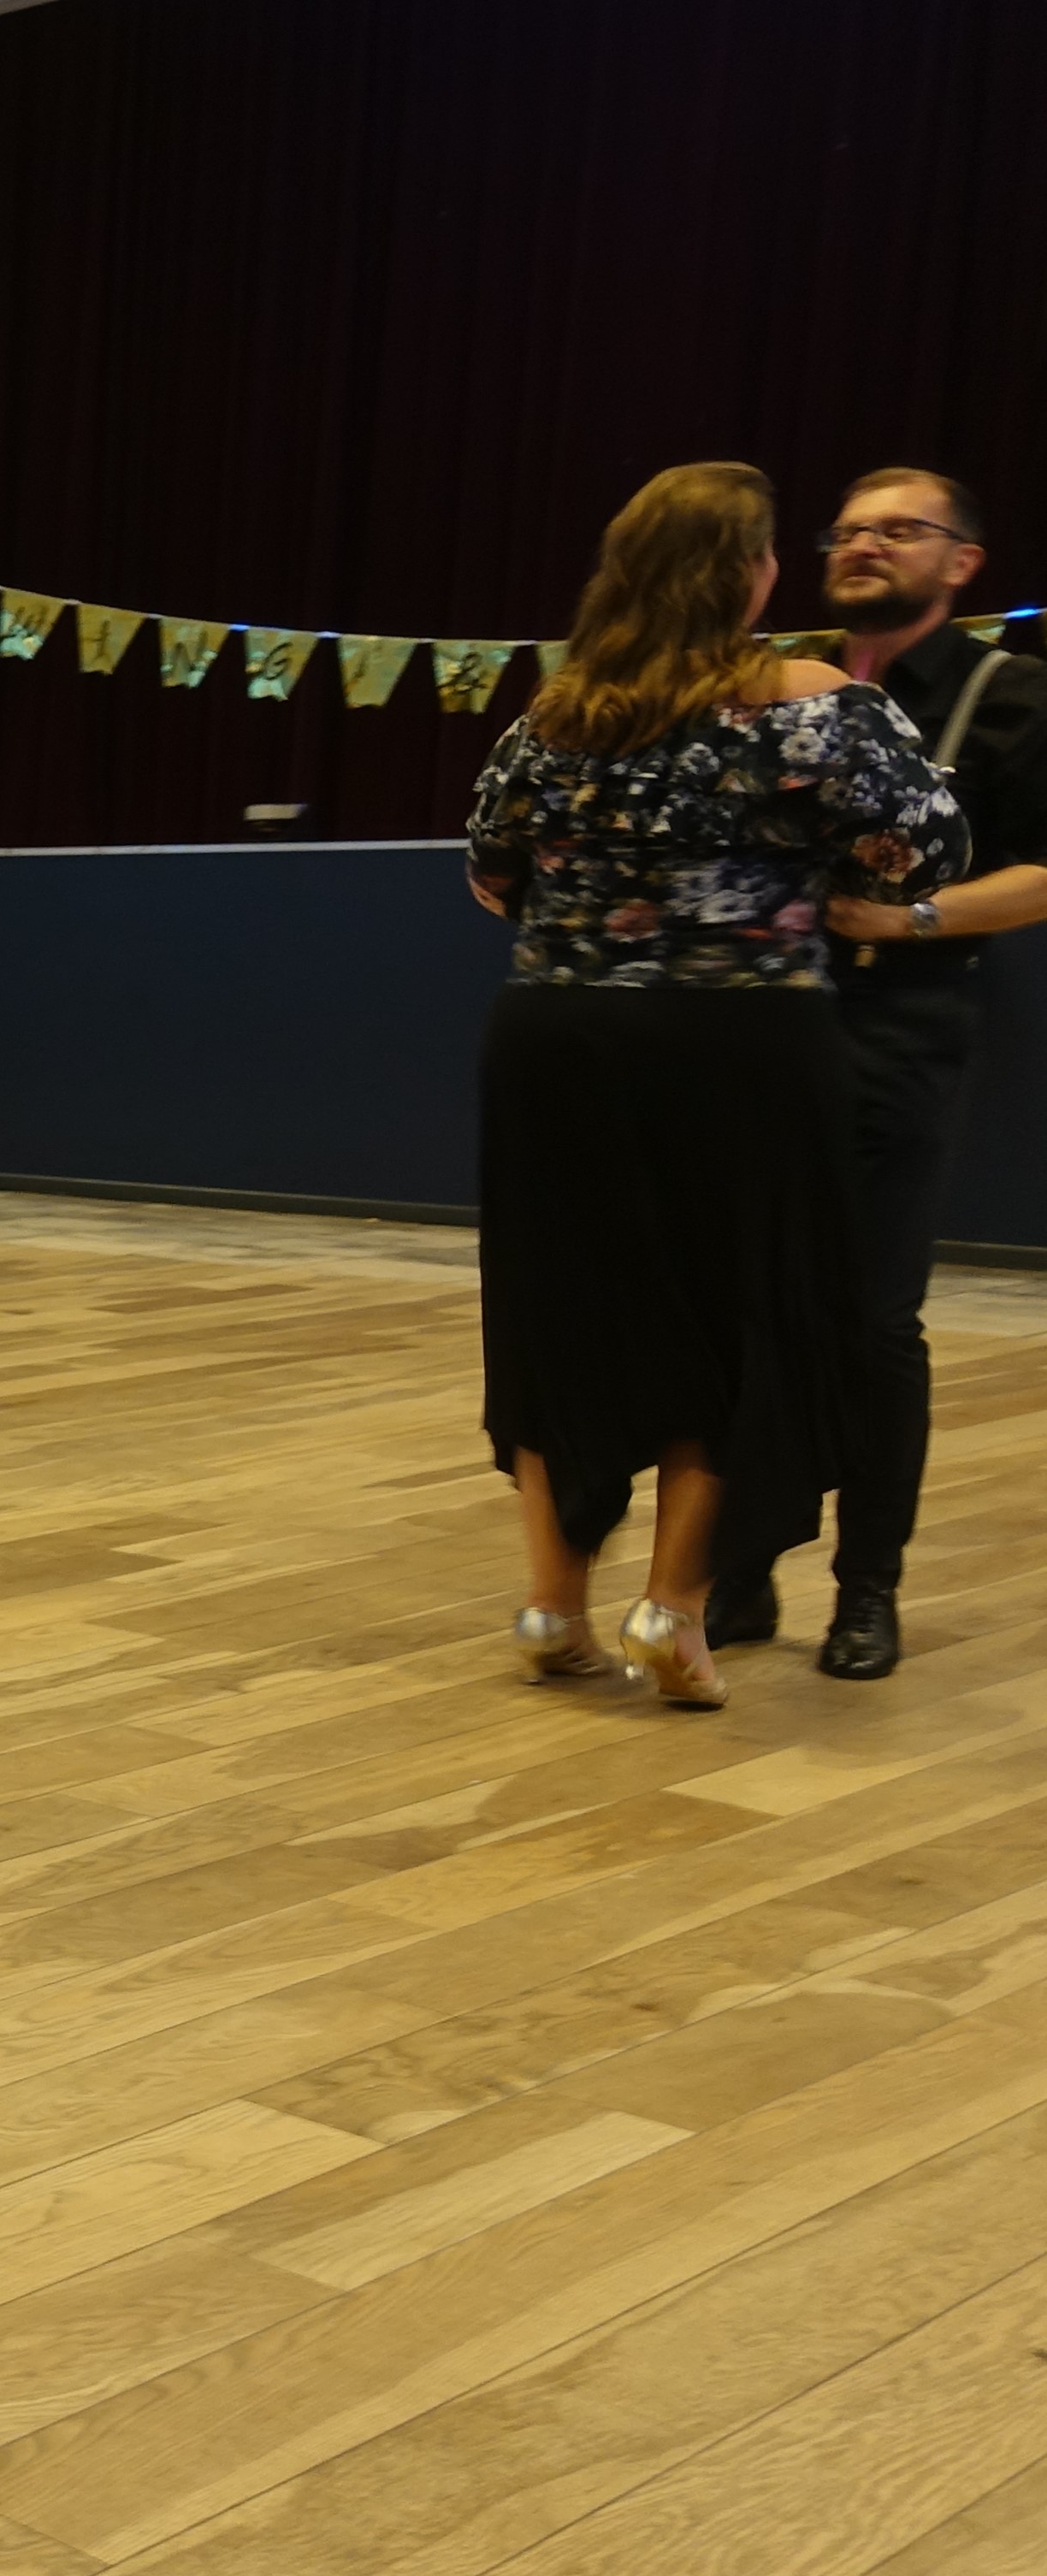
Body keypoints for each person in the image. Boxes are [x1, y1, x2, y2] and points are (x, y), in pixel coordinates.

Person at [466, 461, 961, 1712]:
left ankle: (549, 1604)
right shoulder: (818, 705)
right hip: (740, 1040)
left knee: (561, 1307)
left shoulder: (555, 713)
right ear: (744, 572)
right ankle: (671, 1611)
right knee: (740, 1307)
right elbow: (921, 854)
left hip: (556, 1036)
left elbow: (489, 874)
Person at [703, 469, 1047, 1678]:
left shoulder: (1011, 696)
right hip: (755, 1029)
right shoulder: (779, 689)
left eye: (897, 530)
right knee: (743, 1305)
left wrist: (910, 919)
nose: (863, 546)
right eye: (847, 531)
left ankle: (866, 1590)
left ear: (961, 561)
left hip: (897, 1026)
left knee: (871, 1319)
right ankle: (735, 1573)